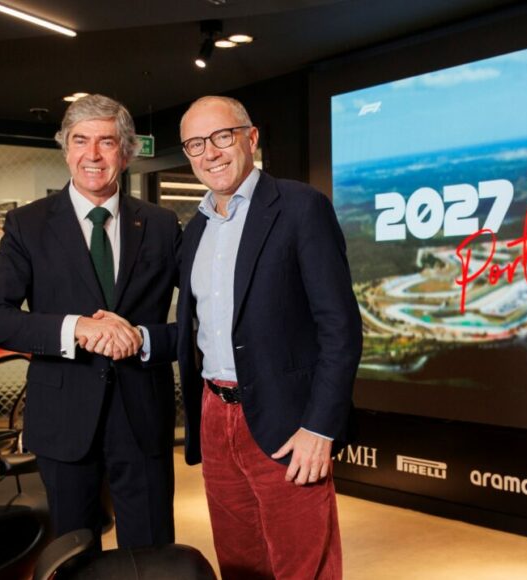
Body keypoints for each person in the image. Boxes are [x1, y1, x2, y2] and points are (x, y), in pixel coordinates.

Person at [141, 95, 363, 579]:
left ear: (251, 137)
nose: (210, 153)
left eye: (222, 136)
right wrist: (137, 338)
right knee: (240, 565)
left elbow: (341, 327)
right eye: (195, 144)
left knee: (302, 566)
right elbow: (202, 330)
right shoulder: (195, 230)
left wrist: (320, 427)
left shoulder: (300, 207)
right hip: (215, 417)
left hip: (288, 421)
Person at [0, 94, 181, 549]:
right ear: (65, 149)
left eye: (107, 142)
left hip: (142, 419)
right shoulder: (27, 224)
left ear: (126, 152)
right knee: (73, 558)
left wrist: (145, 338)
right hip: (62, 423)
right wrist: (76, 328)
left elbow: (205, 322)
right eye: (81, 140)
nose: (93, 155)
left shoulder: (162, 226)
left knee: (151, 560)